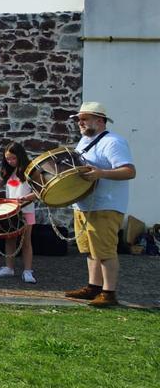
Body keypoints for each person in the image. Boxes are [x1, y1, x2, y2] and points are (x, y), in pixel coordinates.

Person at [64, 102, 135, 307]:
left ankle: (109, 292)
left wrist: (101, 173)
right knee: (90, 250)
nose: (80, 122)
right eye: (79, 119)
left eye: (84, 118)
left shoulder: (113, 142)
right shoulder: (84, 141)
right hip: (85, 204)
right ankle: (93, 287)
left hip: (106, 205)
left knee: (104, 251)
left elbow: (129, 171)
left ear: (100, 120)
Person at [0, 142, 39, 283]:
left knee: (26, 242)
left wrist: (26, 198)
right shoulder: (9, 171)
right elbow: (1, 183)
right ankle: (9, 268)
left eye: (13, 158)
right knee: (10, 239)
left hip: (26, 211)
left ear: (20, 156)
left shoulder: (31, 171)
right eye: (8, 159)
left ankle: (28, 271)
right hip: (11, 212)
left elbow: (39, 192)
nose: (10, 161)